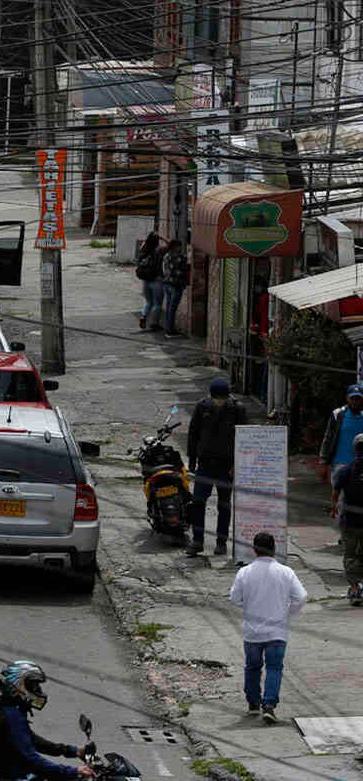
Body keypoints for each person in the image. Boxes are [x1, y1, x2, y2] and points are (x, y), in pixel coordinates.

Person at [229, 532, 307, 723]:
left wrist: (248, 607)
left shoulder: (244, 572)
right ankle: (269, 705)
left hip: (252, 632)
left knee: (252, 667)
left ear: (254, 550)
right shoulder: (286, 572)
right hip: (277, 631)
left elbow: (234, 598)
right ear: (274, 549)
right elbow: (302, 597)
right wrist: (287, 613)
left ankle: (253, 703)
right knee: (274, 668)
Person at [0, 660, 95, 780]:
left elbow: (32, 740)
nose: (38, 690)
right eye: (34, 686)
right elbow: (32, 760)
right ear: (18, 685)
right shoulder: (12, 717)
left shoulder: (8, 711)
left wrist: (73, 751)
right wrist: (73, 772)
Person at [186, 377, 247, 556]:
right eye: (217, 398)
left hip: (226, 465)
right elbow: (193, 433)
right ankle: (197, 540)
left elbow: (244, 438)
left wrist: (238, 464)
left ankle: (221, 542)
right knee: (198, 502)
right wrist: (191, 460)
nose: (220, 401)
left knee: (224, 505)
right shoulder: (202, 406)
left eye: (223, 398)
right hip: (205, 463)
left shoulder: (237, 409)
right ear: (211, 396)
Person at [328, 432, 363, 606]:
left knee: (350, 556)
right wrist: (334, 507)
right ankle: (357, 588)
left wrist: (333, 508)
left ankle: (355, 588)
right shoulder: (346, 471)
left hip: (350, 522)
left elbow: (335, 492)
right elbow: (336, 492)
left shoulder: (346, 470)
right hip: (350, 522)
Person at [319, 385, 363, 484]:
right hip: (340, 464)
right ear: (347, 398)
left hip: (360, 466)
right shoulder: (338, 415)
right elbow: (328, 438)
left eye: (358, 398)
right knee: (339, 497)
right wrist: (323, 462)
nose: (355, 401)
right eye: (352, 398)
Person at [160, 239, 189, 337]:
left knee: (169, 307)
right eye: (179, 246)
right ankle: (170, 330)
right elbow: (184, 270)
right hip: (176, 285)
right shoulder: (180, 257)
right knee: (172, 308)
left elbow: (163, 269)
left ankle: (168, 327)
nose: (181, 248)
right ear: (176, 246)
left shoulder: (166, 256)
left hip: (166, 283)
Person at [134, 231, 163, 330]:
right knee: (157, 303)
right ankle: (154, 323)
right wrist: (163, 238)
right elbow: (171, 244)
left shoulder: (143, 250)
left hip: (145, 280)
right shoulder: (159, 251)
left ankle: (144, 316)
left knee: (148, 302)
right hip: (156, 280)